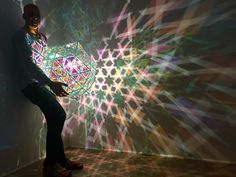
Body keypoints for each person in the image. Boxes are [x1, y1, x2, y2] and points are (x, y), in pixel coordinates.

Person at [12, 4, 83, 177]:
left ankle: (60, 160)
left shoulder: (42, 37)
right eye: (30, 14)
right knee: (58, 115)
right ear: (24, 16)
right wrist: (51, 83)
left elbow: (45, 62)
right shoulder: (20, 37)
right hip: (29, 84)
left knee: (55, 117)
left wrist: (59, 76)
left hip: (43, 83)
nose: (34, 17)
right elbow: (29, 65)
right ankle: (50, 166)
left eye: (36, 14)